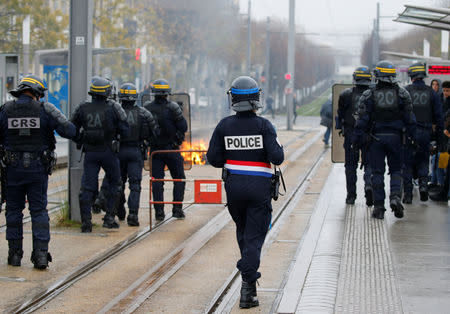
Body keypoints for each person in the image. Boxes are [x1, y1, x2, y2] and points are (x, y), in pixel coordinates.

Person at [206, 76, 284, 309]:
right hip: (259, 189)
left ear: (233, 98)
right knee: (254, 237)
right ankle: (248, 288)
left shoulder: (224, 126)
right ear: (256, 99)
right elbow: (277, 157)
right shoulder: (264, 126)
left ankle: (247, 271)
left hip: (234, 189)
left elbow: (214, 159)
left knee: (243, 232)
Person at [0, 75, 77, 269]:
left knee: (14, 211)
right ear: (36, 93)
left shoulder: (5, 110)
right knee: (39, 211)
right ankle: (41, 255)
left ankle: (14, 255)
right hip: (37, 170)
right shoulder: (46, 109)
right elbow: (69, 130)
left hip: (12, 169)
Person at [353, 60, 416, 219]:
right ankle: (395, 196)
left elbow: (361, 121)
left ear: (377, 76)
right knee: (396, 170)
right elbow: (410, 120)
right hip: (396, 138)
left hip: (376, 140)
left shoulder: (368, 95)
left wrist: (357, 141)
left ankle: (379, 208)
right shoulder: (403, 94)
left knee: (377, 172)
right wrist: (413, 139)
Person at [94, 83, 159, 226]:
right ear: (135, 97)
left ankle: (115, 213)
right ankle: (133, 216)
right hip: (135, 152)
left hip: (117, 152)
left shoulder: (113, 111)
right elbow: (154, 132)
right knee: (135, 185)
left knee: (117, 184)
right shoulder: (143, 113)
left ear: (120, 97)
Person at [71, 76, 129, 232]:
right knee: (116, 184)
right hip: (108, 152)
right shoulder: (114, 107)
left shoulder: (82, 108)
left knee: (87, 187)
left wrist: (81, 138)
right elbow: (125, 129)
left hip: (90, 153)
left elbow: (71, 128)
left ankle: (86, 223)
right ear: (107, 92)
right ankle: (109, 218)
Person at [144, 79, 188, 221]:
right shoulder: (173, 108)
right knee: (179, 179)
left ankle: (159, 212)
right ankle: (177, 209)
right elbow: (183, 127)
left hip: (156, 151)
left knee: (157, 181)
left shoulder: (147, 108)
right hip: (172, 150)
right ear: (167, 93)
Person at [402, 62, 443, 203]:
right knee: (423, 160)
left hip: (409, 133)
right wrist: (438, 138)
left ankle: (407, 195)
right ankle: (424, 186)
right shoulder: (431, 93)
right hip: (425, 132)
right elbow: (439, 117)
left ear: (412, 76)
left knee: (407, 163)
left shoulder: (405, 91)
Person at [335, 66, 373, 205]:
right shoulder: (373, 94)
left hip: (351, 134)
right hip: (369, 134)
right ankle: (369, 185)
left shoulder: (346, 94)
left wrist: (342, 128)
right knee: (369, 163)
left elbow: (340, 114)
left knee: (350, 166)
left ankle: (351, 196)